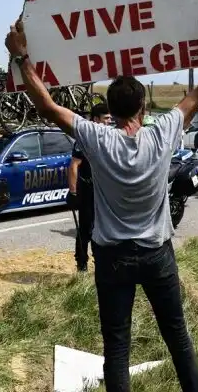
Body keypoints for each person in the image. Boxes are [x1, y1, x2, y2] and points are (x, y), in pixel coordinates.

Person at [5, 0, 198, 392]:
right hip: (157, 253)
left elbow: (46, 105)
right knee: (179, 341)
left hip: (112, 258)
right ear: (143, 106)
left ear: (109, 109)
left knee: (118, 349)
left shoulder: (96, 138)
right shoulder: (163, 133)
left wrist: (22, 55)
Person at [67, 103, 112, 272]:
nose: (109, 121)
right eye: (106, 118)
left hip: (104, 189)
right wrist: (73, 192)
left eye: (110, 118)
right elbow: (74, 166)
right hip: (87, 189)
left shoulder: (110, 135)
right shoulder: (85, 138)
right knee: (87, 228)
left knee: (103, 227)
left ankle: (102, 263)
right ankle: (82, 264)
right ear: (95, 119)